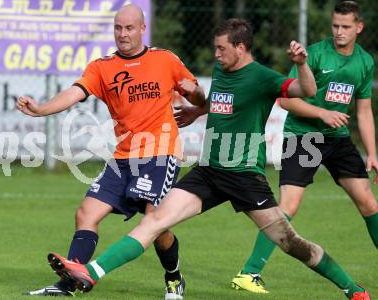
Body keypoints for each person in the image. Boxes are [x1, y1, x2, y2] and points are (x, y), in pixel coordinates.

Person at [44, 18, 370, 300]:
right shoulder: (222, 69)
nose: (216, 54)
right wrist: (198, 109)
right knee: (155, 222)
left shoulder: (263, 77)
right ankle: (90, 272)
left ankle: (352, 289)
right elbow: (221, 100)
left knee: (291, 243)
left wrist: (301, 63)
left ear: (240, 48)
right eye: (215, 48)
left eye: (221, 48)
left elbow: (306, 91)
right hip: (208, 171)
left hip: (244, 176)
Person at [17, 4, 205, 298]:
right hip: (122, 157)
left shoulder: (165, 59)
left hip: (160, 152)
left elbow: (197, 91)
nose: (122, 34)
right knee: (86, 213)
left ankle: (173, 276)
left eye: (129, 28)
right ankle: (70, 283)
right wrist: (41, 109)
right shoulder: (102, 67)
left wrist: (194, 92)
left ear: (143, 29)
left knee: (154, 223)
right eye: (118, 28)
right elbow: (74, 93)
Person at [230, 1, 378, 295]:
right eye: (335, 25)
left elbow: (363, 111)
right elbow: (286, 100)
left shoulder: (364, 61)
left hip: (337, 140)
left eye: (346, 26)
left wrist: (372, 152)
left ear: (359, 27)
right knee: (289, 206)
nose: (339, 31)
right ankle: (249, 272)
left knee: (369, 203)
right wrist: (322, 113)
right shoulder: (315, 54)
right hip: (303, 137)